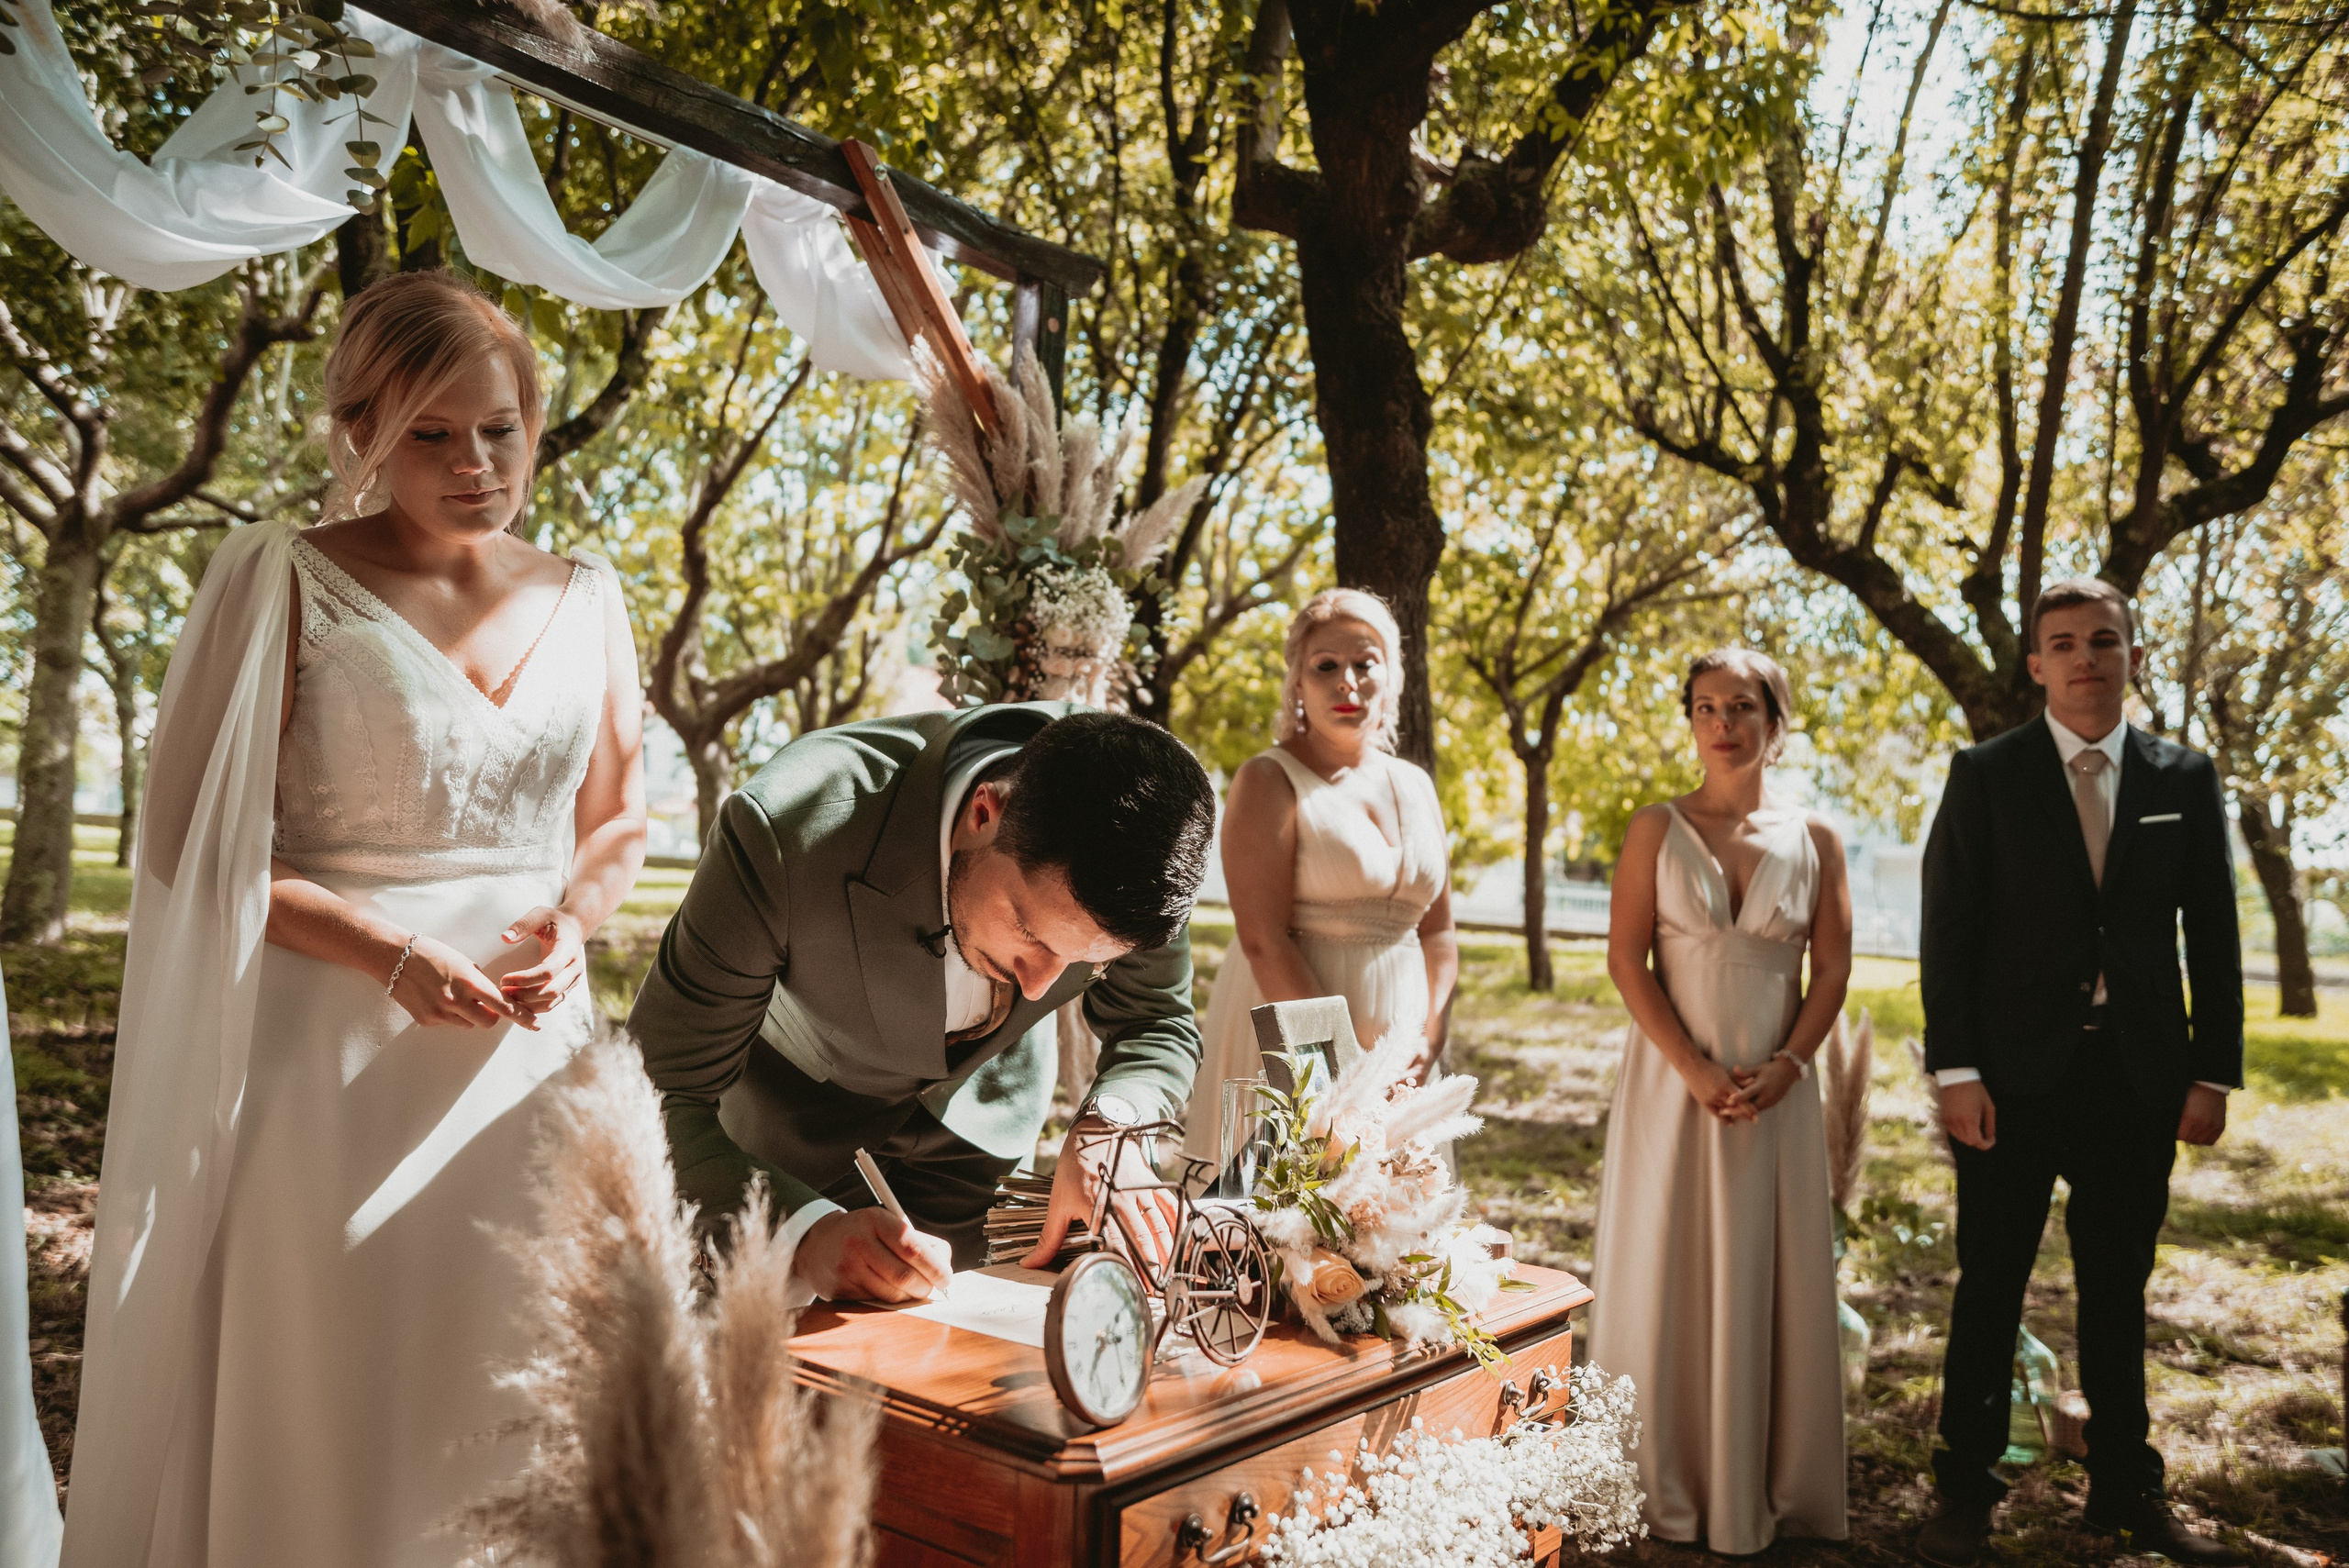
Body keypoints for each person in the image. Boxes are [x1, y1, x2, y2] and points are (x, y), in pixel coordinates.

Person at [61, 271, 647, 1568]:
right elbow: (187, 850)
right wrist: (385, 950)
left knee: (514, 1373)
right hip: (328, 1056)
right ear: (360, 431)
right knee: (337, 1372)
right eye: (429, 433)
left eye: (498, 427)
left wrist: (576, 916)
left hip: (529, 1054)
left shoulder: (590, 596)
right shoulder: (281, 577)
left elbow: (619, 819)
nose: (473, 462)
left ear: (536, 420)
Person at [629, 706, 1217, 1303]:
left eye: (1086, 960)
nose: (1038, 987)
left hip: (984, 1152)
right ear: (984, 813)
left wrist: (1108, 1129)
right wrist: (804, 1234)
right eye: (1031, 933)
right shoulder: (787, 826)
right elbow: (655, 1091)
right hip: (793, 1149)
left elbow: (1155, 1021)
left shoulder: (1145, 851)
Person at [1914, 578, 2243, 1568]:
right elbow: (1948, 929)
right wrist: (1956, 1067)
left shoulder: (2182, 777)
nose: (2085, 657)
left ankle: (2123, 1491)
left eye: (2104, 639)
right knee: (1990, 1286)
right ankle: (1964, 1492)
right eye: (2063, 643)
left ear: (2132, 653)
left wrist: (2212, 1072)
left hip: (2137, 1077)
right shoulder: (1985, 771)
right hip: (2009, 1079)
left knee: (2116, 1287)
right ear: (2036, 665)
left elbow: (2215, 933)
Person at [1589, 647, 1853, 1555]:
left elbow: (1834, 969)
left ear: (1777, 721)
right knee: (1667, 1260)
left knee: (1762, 1263)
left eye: (1741, 705)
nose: (1721, 722)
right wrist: (1694, 1068)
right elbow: (1627, 960)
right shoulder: (1651, 827)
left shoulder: (1816, 838)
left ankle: (1763, 1483)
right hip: (1674, 1082)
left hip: (1774, 1086)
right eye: (1703, 705)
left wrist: (1788, 1062)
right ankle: (1661, 1476)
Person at [1179, 588, 1458, 1171]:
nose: (1347, 684)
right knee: (1279, 1228)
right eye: (1325, 667)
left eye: (1365, 664)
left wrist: (1428, 1037)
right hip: (1296, 1032)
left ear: (1393, 675)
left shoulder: (1417, 785)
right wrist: (1344, 1067)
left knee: (1393, 1235)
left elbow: (1439, 935)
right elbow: (1263, 937)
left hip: (1404, 1052)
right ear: (1297, 684)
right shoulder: (1268, 780)